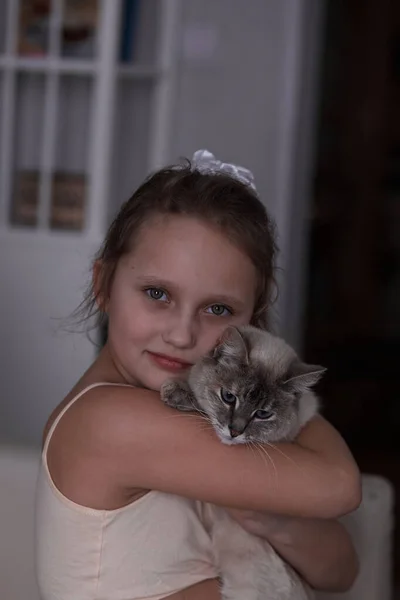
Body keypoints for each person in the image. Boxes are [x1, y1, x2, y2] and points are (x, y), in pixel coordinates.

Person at [35, 150, 361, 600]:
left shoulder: (212, 417)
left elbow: (341, 569)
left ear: (252, 322)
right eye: (157, 293)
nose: (182, 334)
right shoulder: (110, 421)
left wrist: (266, 514)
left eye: (217, 309)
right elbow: (341, 486)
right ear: (103, 284)